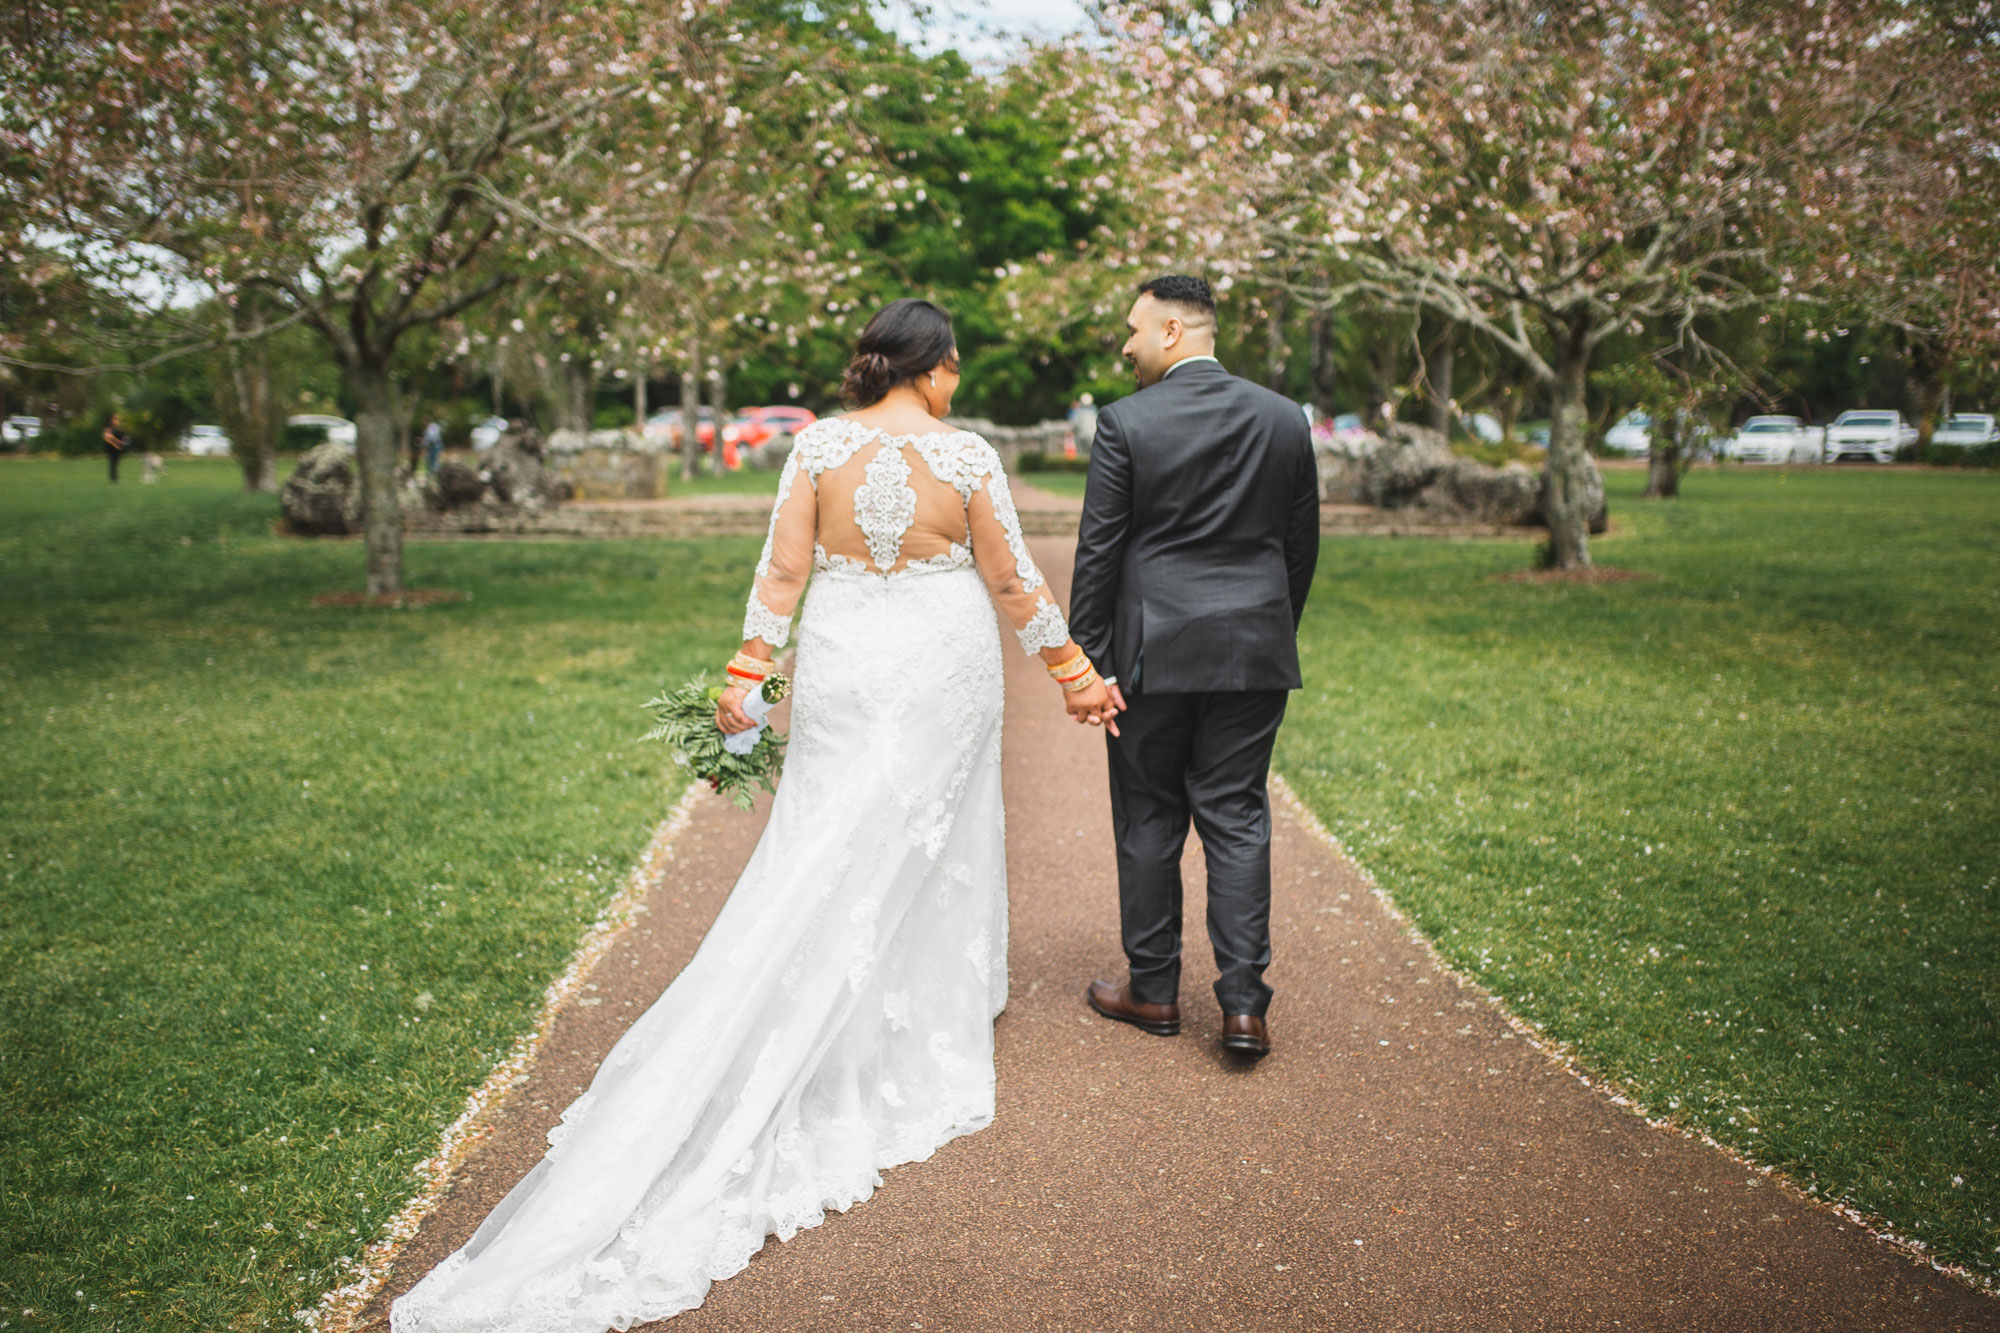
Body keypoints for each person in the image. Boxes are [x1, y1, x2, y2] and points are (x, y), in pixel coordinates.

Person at [391, 298, 1118, 1333]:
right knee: (930, 831)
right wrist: (1073, 673)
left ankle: (823, 978)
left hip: (845, 662)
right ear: (932, 367)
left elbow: (781, 572)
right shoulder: (964, 456)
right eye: (952, 366)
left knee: (824, 830)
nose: (956, 382)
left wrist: (747, 672)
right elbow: (1008, 576)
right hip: (937, 666)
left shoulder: (813, 449)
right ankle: (916, 1006)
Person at [1067, 274, 1321, 1060]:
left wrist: (1089, 662)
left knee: (1149, 815)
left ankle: (1153, 989)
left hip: (1151, 659)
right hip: (1253, 652)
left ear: (1174, 332)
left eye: (1135, 330)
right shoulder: (1285, 419)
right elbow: (1300, 543)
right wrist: (1269, 629)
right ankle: (1244, 1006)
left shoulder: (1126, 423)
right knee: (1238, 817)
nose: (1126, 345)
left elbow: (1099, 553)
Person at [102, 415, 130, 483]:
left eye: (117, 420)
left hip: (118, 449)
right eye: (115, 419)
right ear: (111, 420)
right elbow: (108, 438)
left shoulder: (119, 429)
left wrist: (124, 443)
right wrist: (117, 444)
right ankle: (113, 478)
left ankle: (115, 477)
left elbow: (124, 438)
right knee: (113, 463)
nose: (116, 421)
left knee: (116, 463)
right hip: (111, 449)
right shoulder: (109, 429)